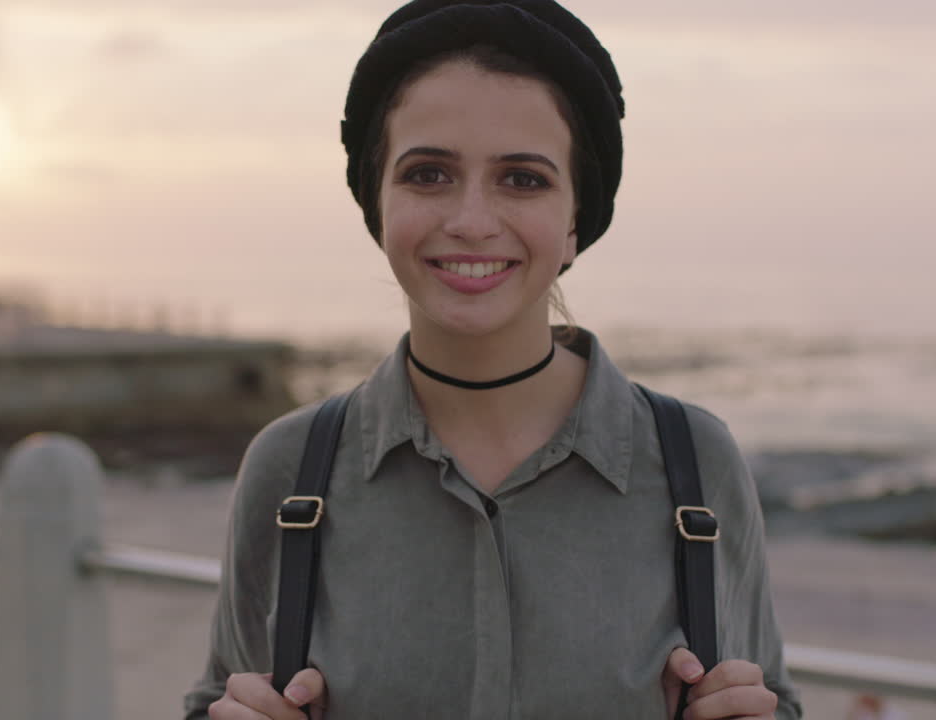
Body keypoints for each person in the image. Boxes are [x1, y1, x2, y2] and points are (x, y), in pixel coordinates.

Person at [184, 1, 801, 718]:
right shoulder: (290, 470)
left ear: (575, 221)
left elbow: (773, 699)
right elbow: (217, 697)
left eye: (523, 179)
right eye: (429, 174)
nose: (472, 221)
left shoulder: (696, 463)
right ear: (377, 203)